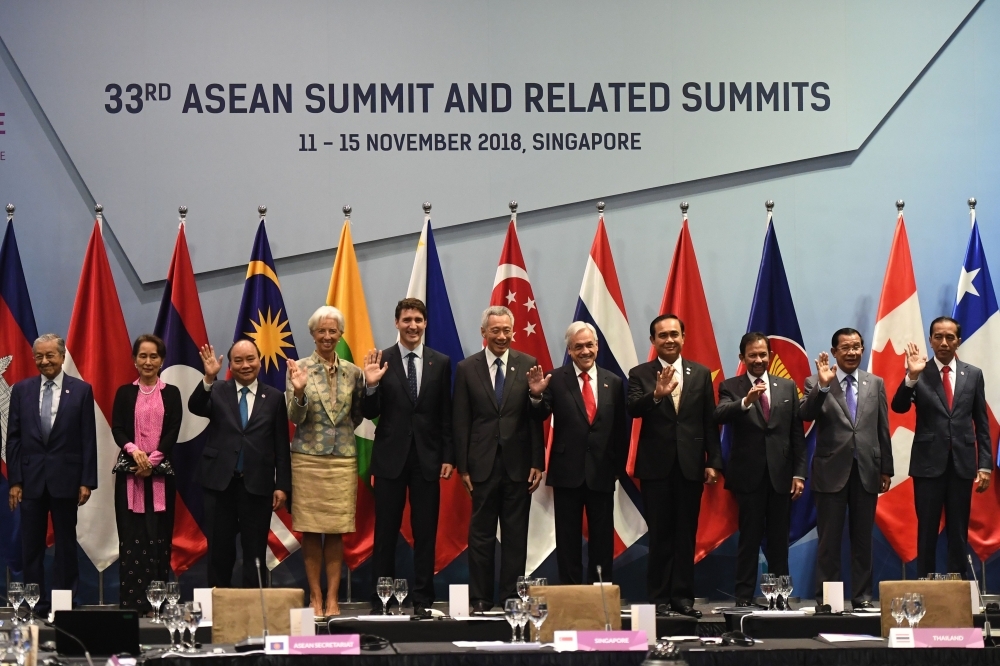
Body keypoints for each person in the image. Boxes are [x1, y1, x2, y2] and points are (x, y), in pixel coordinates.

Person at [362, 298, 454, 617]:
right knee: (385, 532)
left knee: (425, 532)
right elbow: (369, 412)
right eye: (406, 320)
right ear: (396, 323)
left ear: (425, 323)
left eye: (418, 320)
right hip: (390, 459)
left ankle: (423, 598)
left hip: (427, 460)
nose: (412, 325)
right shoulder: (381, 359)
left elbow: (446, 414)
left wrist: (447, 455)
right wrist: (370, 386)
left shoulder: (440, 362)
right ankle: (381, 598)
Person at [627, 314, 722, 618]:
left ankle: (683, 598)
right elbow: (632, 409)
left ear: (684, 337)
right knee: (660, 535)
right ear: (653, 341)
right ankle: (659, 599)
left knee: (685, 535)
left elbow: (709, 421)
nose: (669, 340)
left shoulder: (701, 373)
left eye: (674, 334)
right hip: (656, 468)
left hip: (692, 466)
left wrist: (713, 461)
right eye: (662, 335)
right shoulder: (641, 373)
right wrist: (655, 395)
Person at [453, 305, 546, 611]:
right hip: (480, 465)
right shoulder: (467, 368)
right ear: (484, 333)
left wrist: (537, 461)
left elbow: (535, 419)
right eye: (495, 331)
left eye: (507, 330)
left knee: (516, 536)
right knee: (480, 536)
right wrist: (463, 466)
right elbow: (461, 420)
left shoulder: (528, 364)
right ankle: (480, 598)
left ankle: (511, 597)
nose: (502, 336)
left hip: (518, 465)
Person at [891, 316, 991, 578]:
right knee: (927, 530)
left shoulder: (973, 374)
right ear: (930, 340)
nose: (944, 342)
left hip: (962, 464)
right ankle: (925, 584)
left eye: (950, 337)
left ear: (958, 341)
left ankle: (956, 588)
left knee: (958, 530)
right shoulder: (919, 372)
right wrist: (911, 377)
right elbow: (898, 406)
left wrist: (985, 465)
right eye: (938, 337)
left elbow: (982, 423)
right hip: (927, 464)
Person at [800, 328, 892, 609]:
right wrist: (824, 386)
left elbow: (882, 428)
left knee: (863, 540)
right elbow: (805, 414)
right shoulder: (815, 381)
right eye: (846, 348)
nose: (852, 352)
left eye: (857, 347)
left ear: (862, 350)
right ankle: (829, 601)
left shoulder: (874, 382)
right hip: (831, 472)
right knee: (829, 542)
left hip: (867, 470)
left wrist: (885, 469)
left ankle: (862, 598)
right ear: (835, 352)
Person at [190, 339, 291, 590]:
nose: (245, 365)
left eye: (250, 359)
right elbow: (196, 406)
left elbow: (281, 444)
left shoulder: (275, 397)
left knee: (255, 550)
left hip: (257, 485)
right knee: (219, 549)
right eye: (238, 360)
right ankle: (218, 604)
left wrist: (282, 486)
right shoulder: (217, 389)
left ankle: (254, 608)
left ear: (259, 360)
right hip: (219, 484)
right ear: (231, 365)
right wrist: (208, 378)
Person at [714, 332, 807, 606]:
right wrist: (746, 402)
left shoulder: (787, 386)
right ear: (742, 358)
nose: (758, 359)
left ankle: (780, 598)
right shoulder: (731, 386)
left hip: (781, 477)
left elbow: (796, 436)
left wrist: (799, 473)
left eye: (763, 354)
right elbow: (719, 414)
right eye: (752, 355)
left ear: (770, 356)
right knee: (749, 540)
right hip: (748, 478)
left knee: (779, 542)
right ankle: (743, 597)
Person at [6, 333, 97, 606]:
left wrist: (87, 481)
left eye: (50, 355)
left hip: (67, 479)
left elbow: (88, 438)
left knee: (66, 546)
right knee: (31, 546)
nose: (45, 361)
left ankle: (63, 604)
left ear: (62, 356)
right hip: (30, 480)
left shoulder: (81, 390)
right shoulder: (21, 390)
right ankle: (35, 603)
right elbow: (14, 438)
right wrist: (15, 481)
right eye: (39, 356)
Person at [285, 306, 365, 616]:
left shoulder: (353, 372)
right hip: (308, 460)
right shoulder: (299, 368)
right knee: (310, 530)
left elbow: (356, 415)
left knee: (335, 531)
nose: (328, 336)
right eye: (322, 331)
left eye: (333, 331)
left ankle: (333, 599)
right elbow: (294, 416)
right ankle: (315, 598)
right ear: (313, 334)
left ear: (341, 334)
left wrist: (338, 436)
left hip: (342, 460)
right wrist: (300, 391)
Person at [535, 322, 626, 585]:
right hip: (567, 472)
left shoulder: (614, 381)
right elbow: (539, 415)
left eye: (589, 345)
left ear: (597, 346)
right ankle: (571, 594)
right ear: (570, 350)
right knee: (567, 539)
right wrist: (537, 396)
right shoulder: (555, 379)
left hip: (602, 472)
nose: (585, 351)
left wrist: (616, 468)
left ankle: (601, 592)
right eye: (578, 347)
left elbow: (620, 429)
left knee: (602, 538)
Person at [112, 334, 183, 613]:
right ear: (134, 360)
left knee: (159, 537)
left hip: (161, 473)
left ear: (162, 360)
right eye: (143, 356)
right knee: (131, 538)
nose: (148, 361)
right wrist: (134, 452)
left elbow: (173, 430)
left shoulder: (172, 392)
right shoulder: (124, 392)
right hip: (129, 473)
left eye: (154, 356)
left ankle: (159, 605)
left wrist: (151, 460)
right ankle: (132, 604)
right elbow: (117, 427)